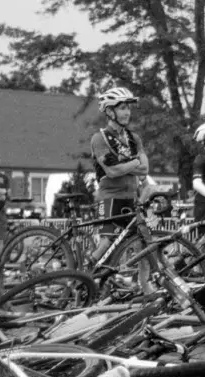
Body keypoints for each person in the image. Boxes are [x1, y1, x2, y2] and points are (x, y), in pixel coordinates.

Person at [89, 87, 149, 263]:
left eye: (128, 108)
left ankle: (144, 286)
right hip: (109, 198)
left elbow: (145, 169)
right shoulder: (99, 138)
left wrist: (125, 164)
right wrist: (135, 162)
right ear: (109, 111)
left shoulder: (134, 138)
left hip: (131, 198)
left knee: (143, 245)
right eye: (122, 108)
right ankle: (83, 277)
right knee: (106, 244)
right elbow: (112, 171)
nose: (127, 112)